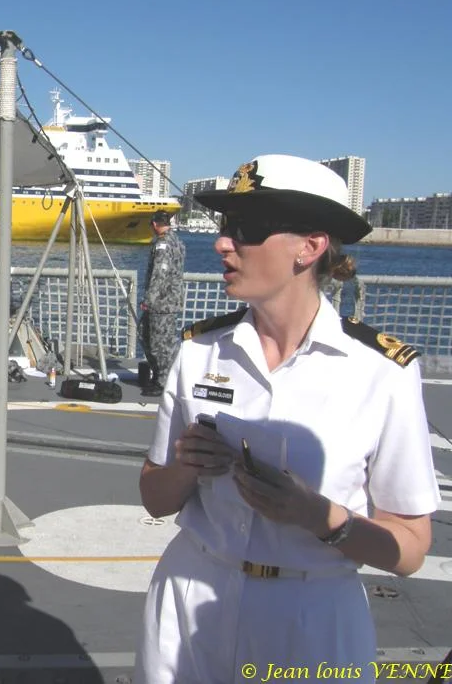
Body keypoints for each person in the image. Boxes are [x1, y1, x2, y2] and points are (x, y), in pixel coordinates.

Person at [135, 154, 440, 683]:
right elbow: (154, 498)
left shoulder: (381, 372)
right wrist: (186, 466)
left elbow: (409, 548)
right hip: (189, 598)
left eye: (246, 230)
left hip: (312, 620)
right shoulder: (200, 352)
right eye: (226, 228)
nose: (225, 244)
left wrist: (316, 515)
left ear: (311, 247)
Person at [140, 210, 185, 396]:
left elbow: (160, 272)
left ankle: (163, 381)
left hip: (161, 303)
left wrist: (149, 299)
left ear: (155, 224)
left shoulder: (163, 244)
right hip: (169, 300)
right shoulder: (178, 242)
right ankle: (158, 376)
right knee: (148, 336)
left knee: (159, 344)